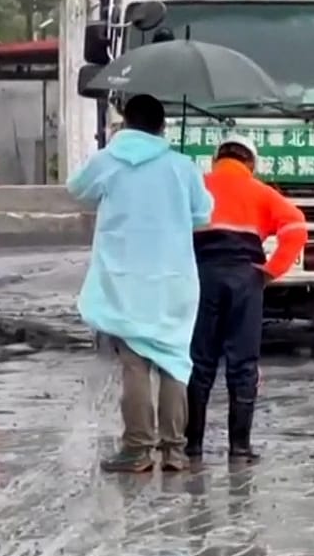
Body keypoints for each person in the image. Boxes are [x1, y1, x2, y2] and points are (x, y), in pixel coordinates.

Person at [69, 94, 213, 473]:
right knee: (174, 364)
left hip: (123, 278)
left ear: (125, 123)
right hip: (173, 278)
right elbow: (203, 214)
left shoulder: (109, 161)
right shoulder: (182, 166)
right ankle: (174, 451)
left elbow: (77, 190)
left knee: (134, 364)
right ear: (163, 126)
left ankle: (137, 448)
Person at [185, 133, 308, 464]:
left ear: (215, 160)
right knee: (242, 362)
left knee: (199, 360)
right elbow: (297, 228)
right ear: (250, 164)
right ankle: (239, 447)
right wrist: (270, 271)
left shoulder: (196, 187)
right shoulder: (263, 193)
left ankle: (191, 445)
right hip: (245, 279)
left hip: (202, 277)